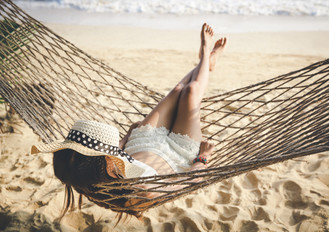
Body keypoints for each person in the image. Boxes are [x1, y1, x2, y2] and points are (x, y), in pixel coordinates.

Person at [31, 23, 226, 220]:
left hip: (142, 142)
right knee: (191, 91)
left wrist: (126, 137)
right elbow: (189, 183)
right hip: (178, 153)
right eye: (108, 149)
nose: (112, 148)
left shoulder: (86, 170)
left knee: (178, 90)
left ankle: (205, 64)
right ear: (105, 162)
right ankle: (205, 62)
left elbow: (115, 150)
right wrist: (203, 157)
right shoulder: (142, 192)